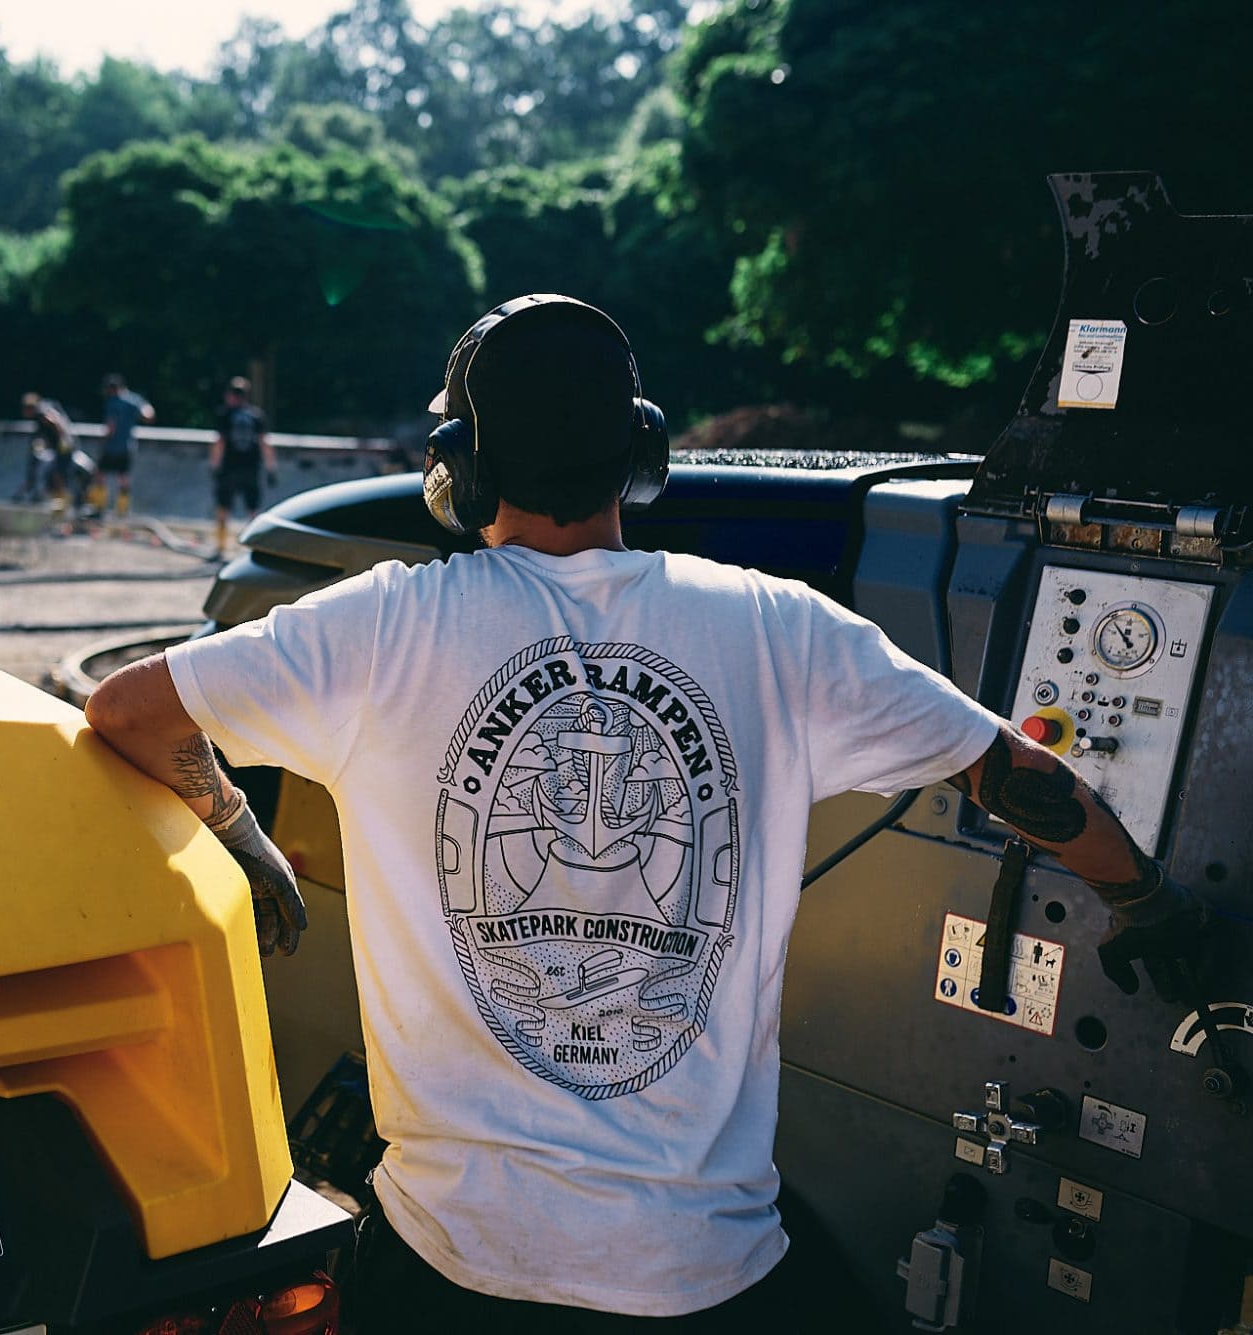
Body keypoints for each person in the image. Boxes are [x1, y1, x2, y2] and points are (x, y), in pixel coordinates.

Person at [84, 294, 1210, 1330]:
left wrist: (238, 832)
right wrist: (1142, 901)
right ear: (644, 454)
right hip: (699, 1276)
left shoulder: (377, 630)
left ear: (458, 471)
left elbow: (128, 711)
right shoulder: (779, 629)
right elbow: (1016, 775)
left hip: (450, 1264)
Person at [211, 375, 276, 555]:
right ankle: (255, 546)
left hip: (229, 468)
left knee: (223, 507)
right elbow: (265, 443)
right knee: (253, 509)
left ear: (230, 395)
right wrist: (271, 469)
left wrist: (215, 466)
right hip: (251, 468)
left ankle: (221, 546)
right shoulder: (257, 415)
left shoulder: (225, 414)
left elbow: (220, 442)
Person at [19, 391, 90, 511]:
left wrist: (63, 438)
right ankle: (57, 502)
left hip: (63, 447)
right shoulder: (42, 412)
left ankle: (62, 505)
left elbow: (55, 421)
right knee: (53, 474)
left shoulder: (41, 412)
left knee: (59, 475)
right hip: (60, 447)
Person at [99, 373, 155, 517]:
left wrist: (104, 439)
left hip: (112, 446)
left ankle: (99, 507)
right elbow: (148, 413)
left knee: (100, 474)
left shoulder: (113, 402)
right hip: (127, 446)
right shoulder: (134, 399)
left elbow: (111, 427)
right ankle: (122, 510)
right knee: (123, 478)